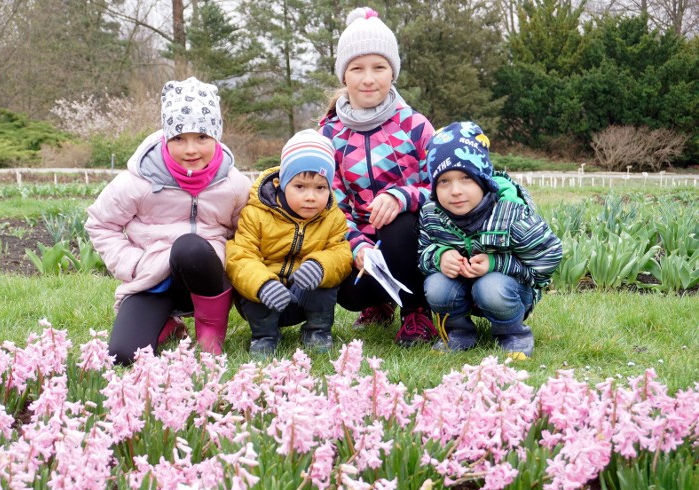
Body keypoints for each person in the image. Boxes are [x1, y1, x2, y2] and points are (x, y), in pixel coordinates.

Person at [85, 77, 250, 364]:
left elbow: (246, 232)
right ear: (165, 137)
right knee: (122, 355)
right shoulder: (139, 180)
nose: (191, 150)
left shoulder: (234, 184)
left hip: (208, 277)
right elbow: (100, 223)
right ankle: (169, 325)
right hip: (153, 277)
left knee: (191, 247)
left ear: (217, 136)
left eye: (202, 137)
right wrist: (133, 263)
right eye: (179, 138)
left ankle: (210, 330)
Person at [319, 6, 437, 347]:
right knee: (347, 293)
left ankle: (418, 311)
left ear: (392, 73)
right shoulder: (330, 134)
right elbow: (331, 204)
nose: (368, 79)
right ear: (344, 75)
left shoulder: (415, 126)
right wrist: (357, 244)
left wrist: (403, 196)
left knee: (396, 224)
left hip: (413, 239)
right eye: (357, 68)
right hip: (364, 247)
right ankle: (378, 302)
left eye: (379, 68)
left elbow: (442, 190)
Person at [419, 121, 563, 359]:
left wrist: (497, 264)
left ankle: (512, 334)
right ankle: (459, 333)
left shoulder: (511, 215)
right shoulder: (432, 214)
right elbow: (423, 253)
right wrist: (439, 256)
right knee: (436, 286)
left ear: (483, 180)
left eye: (466, 178)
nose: (455, 190)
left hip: (509, 289)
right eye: (444, 181)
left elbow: (549, 256)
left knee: (491, 286)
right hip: (461, 287)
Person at [226, 130, 352, 356]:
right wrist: (262, 284)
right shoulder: (256, 213)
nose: (310, 197)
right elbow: (240, 256)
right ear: (282, 183)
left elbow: (341, 253)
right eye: (300, 187)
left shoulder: (332, 216)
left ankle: (317, 330)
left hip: (304, 296)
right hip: (265, 298)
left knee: (325, 280)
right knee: (250, 287)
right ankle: (265, 336)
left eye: (320, 188)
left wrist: (321, 265)